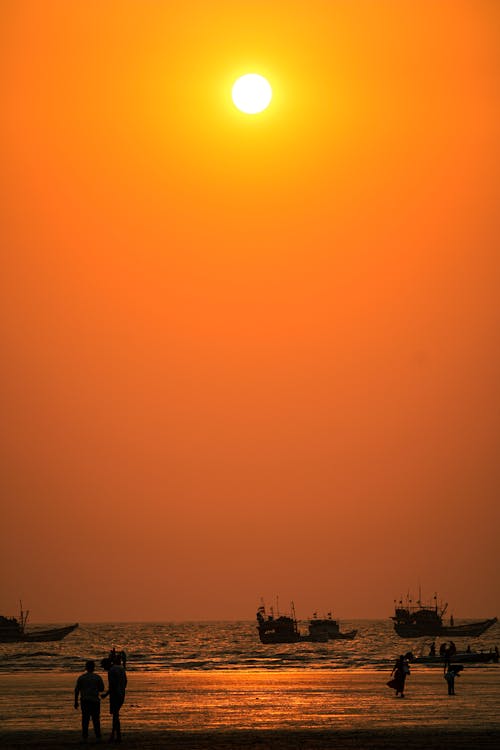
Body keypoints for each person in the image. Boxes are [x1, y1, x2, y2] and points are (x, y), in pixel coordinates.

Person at [74, 660, 105, 743]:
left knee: (85, 719)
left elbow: (77, 690)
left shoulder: (81, 677)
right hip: (95, 700)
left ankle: (85, 736)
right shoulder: (97, 677)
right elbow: (102, 689)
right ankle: (98, 736)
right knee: (96, 719)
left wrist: (76, 701)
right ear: (93, 668)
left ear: (86, 667)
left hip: (85, 700)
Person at [101, 653, 127, 743]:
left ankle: (117, 736)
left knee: (115, 715)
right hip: (122, 693)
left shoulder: (111, 671)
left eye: (103, 666)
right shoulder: (121, 668)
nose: (103, 669)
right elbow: (125, 682)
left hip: (115, 695)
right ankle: (114, 735)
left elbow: (112, 685)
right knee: (116, 715)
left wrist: (106, 694)